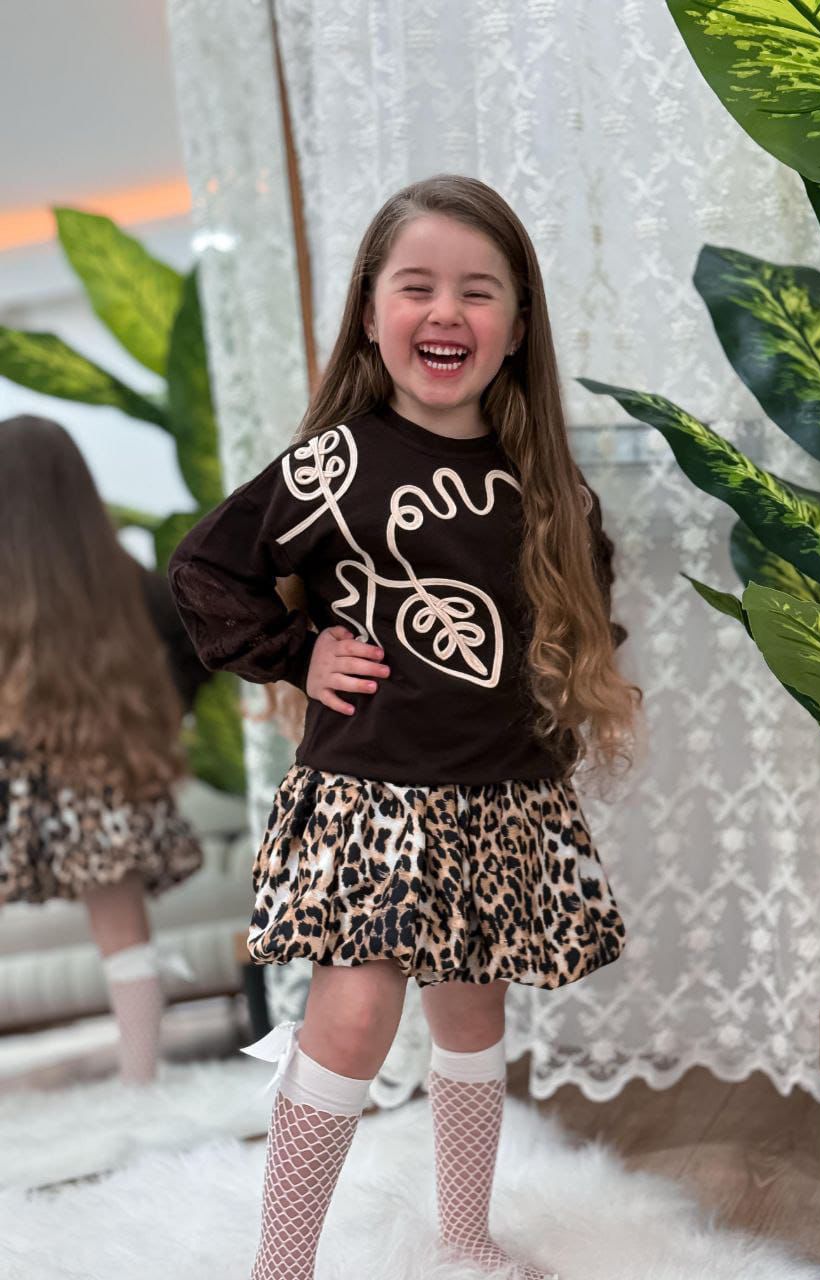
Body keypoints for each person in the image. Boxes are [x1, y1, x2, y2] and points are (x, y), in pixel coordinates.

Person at [168, 173, 642, 1280]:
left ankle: (466, 1234)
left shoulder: (546, 482)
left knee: (472, 1014)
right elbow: (206, 570)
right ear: (371, 310)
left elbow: (581, 601)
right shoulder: (334, 463)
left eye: (479, 291)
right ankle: (281, 1263)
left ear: (517, 323)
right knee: (351, 1016)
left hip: (498, 797)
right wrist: (299, 652)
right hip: (372, 796)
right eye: (417, 285)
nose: (446, 311)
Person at [0, 414, 206, 1085]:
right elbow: (195, 644)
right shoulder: (126, 579)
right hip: (102, 780)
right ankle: (141, 1080)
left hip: (20, 783)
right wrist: (167, 712)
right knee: (124, 933)